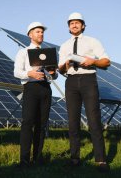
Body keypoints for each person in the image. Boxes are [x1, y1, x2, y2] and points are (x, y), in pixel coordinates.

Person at [58, 12, 111, 172]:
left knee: (94, 120)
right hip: (71, 81)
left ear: (83, 25)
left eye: (77, 22)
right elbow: (60, 70)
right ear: (68, 26)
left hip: (88, 80)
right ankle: (75, 158)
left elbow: (106, 61)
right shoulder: (64, 46)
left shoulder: (93, 41)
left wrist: (93, 61)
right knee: (73, 122)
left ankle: (100, 160)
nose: (74, 25)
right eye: (71, 23)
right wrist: (64, 65)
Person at [14, 21, 56, 167]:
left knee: (42, 125)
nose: (41, 34)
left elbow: (53, 77)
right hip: (31, 88)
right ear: (30, 34)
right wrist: (30, 73)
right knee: (27, 123)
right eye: (37, 31)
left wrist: (52, 73)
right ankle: (24, 160)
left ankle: (37, 158)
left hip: (45, 89)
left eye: (42, 31)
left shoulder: (48, 55)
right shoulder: (23, 52)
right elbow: (16, 72)